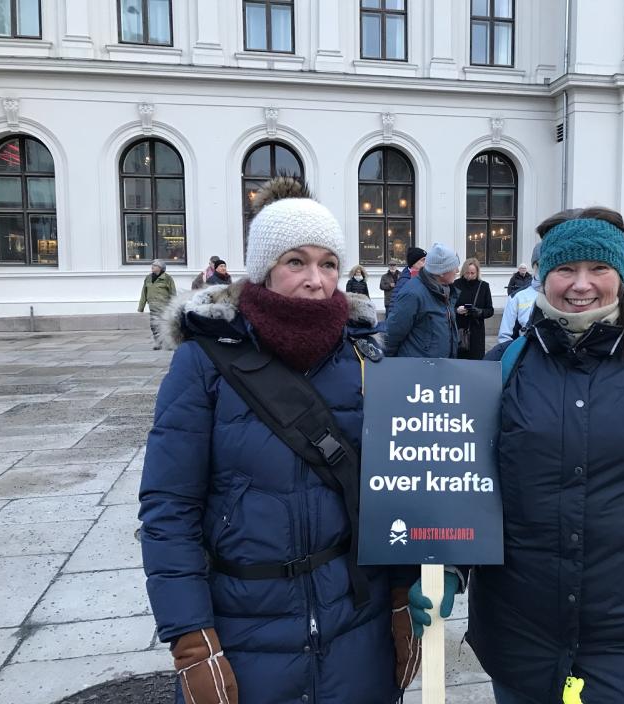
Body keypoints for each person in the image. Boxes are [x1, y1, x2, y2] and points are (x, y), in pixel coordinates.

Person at [409, 207, 624, 703]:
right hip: (523, 631)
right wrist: (447, 567)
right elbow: (467, 486)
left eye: (598, 269)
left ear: (619, 277)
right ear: (544, 275)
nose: (581, 284)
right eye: (565, 269)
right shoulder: (502, 369)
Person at [138, 176, 416, 704]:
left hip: (354, 624)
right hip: (246, 628)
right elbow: (169, 509)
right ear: (265, 269)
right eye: (296, 261)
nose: (316, 280)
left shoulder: (366, 360)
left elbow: (393, 491)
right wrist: (192, 640)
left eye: (329, 263)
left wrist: (403, 592)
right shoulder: (204, 362)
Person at [385, 243, 459, 359]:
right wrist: (388, 364)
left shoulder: (446, 291)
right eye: (454, 267)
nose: (457, 271)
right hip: (418, 368)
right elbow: (393, 333)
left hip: (439, 367)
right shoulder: (413, 293)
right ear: (441, 271)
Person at [497, 243, 541, 343]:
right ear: (535, 265)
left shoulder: (565, 295)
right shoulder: (517, 297)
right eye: (542, 264)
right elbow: (505, 338)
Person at [453, 258, 494, 360]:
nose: (469, 276)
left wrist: (478, 312)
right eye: (467, 273)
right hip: (459, 330)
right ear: (463, 271)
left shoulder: (483, 286)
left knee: (476, 362)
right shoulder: (456, 284)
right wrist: (457, 310)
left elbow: (490, 310)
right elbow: (448, 307)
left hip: (476, 332)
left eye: (473, 273)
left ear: (477, 272)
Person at [137, 259, 176, 349]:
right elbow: (144, 292)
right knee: (154, 325)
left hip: (164, 306)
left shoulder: (167, 278)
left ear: (160, 268)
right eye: (152, 265)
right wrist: (141, 307)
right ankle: (158, 342)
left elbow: (173, 293)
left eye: (154, 265)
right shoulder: (148, 278)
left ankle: (168, 343)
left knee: (165, 325)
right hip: (153, 306)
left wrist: (174, 306)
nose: (152, 267)